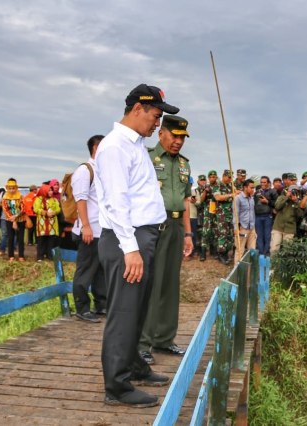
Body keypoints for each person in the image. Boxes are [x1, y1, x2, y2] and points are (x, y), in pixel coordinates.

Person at [95, 84, 179, 408]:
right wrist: (130, 249)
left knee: (139, 309)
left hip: (141, 236)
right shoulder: (115, 146)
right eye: (156, 116)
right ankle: (116, 386)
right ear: (137, 109)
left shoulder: (135, 144)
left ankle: (134, 366)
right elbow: (116, 203)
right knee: (124, 312)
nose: (158, 123)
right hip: (126, 239)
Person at [139, 115, 194, 364]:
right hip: (153, 226)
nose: (178, 142)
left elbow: (185, 201)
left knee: (170, 284)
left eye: (182, 138)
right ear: (161, 133)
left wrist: (188, 234)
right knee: (152, 284)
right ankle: (142, 342)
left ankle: (164, 338)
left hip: (175, 227)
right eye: (174, 136)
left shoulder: (184, 164)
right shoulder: (147, 157)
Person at [71, 135, 107, 323]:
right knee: (85, 270)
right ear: (95, 147)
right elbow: (81, 199)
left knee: (101, 270)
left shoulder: (102, 170)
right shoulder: (85, 170)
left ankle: (101, 304)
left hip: (103, 230)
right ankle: (82, 307)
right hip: (89, 229)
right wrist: (86, 226)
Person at [213, 170, 237, 265]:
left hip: (230, 214)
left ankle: (227, 252)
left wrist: (236, 191)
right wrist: (231, 195)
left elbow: (237, 192)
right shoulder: (217, 185)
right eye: (229, 177)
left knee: (230, 235)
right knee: (222, 235)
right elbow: (218, 197)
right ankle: (221, 254)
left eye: (231, 177)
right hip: (221, 215)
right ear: (224, 176)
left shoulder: (230, 186)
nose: (230, 179)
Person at [270, 183, 302, 253]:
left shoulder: (299, 202)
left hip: (290, 229)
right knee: (274, 248)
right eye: (292, 191)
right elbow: (277, 207)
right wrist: (287, 197)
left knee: (287, 250)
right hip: (278, 227)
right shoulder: (282, 197)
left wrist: (296, 202)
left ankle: (284, 264)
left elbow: (299, 215)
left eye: (295, 192)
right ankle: (273, 264)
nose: (293, 193)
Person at [34, 184, 61, 261]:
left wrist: (54, 212)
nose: (51, 192)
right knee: (41, 240)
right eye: (49, 190)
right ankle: (40, 257)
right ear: (44, 191)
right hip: (42, 224)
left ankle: (50, 256)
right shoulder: (38, 199)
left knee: (51, 240)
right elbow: (36, 209)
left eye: (51, 190)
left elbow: (58, 209)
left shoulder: (55, 200)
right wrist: (45, 213)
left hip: (52, 224)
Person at [2, 178, 26, 262]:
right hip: (9, 220)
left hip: (21, 220)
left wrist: (16, 217)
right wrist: (13, 220)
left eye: (13, 188)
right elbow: (5, 209)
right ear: (7, 188)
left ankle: (21, 256)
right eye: (10, 188)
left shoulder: (21, 196)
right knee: (10, 238)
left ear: (16, 188)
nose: (11, 190)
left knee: (20, 238)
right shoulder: (5, 198)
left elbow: (23, 209)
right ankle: (11, 256)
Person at [233, 179, 257, 261]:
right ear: (245, 187)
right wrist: (236, 228)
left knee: (252, 250)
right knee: (240, 250)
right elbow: (235, 214)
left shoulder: (251, 198)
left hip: (252, 228)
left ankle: (251, 269)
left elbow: (252, 212)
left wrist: (254, 227)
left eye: (253, 188)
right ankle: (237, 270)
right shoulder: (238, 198)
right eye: (251, 187)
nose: (253, 189)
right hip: (242, 228)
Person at [199, 170, 219, 261]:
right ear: (208, 178)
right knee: (205, 231)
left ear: (216, 177)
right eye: (210, 177)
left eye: (214, 177)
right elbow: (201, 200)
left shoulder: (219, 186)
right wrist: (205, 191)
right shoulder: (205, 186)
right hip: (207, 211)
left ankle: (214, 251)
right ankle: (203, 253)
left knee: (215, 231)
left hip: (217, 211)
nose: (212, 178)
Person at [254, 175, 276, 256]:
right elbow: (254, 204)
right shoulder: (257, 192)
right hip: (258, 217)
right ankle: (260, 253)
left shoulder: (273, 192)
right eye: (261, 182)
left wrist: (267, 201)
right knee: (259, 235)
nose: (263, 183)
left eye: (264, 182)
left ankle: (266, 252)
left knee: (267, 235)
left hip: (267, 216)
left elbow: (276, 204)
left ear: (268, 183)